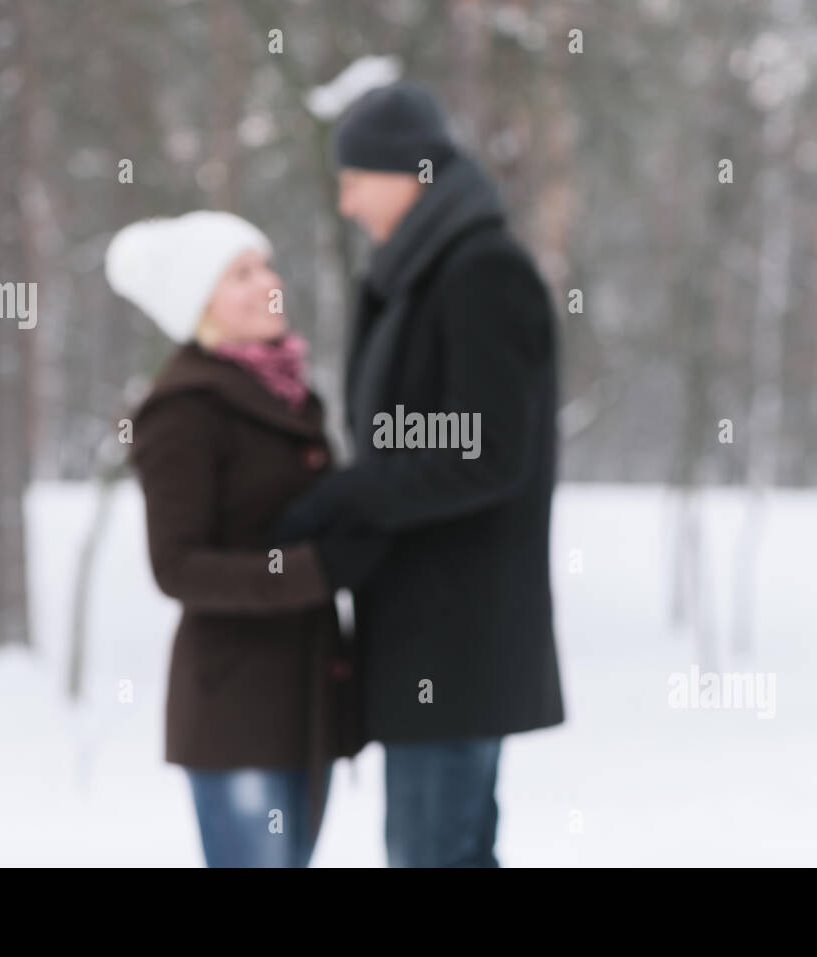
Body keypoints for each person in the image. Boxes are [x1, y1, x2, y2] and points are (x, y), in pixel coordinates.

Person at [273, 82, 566, 867]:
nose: (346, 203)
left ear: (411, 172)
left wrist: (351, 494)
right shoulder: (427, 269)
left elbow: (487, 448)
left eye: (356, 179)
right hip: (427, 635)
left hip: (456, 641)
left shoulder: (480, 271)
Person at [105, 211, 364, 867]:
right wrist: (314, 569)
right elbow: (179, 566)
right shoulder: (185, 409)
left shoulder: (289, 394)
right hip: (237, 709)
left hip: (304, 700)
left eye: (266, 265)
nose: (267, 282)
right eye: (241, 273)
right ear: (201, 303)